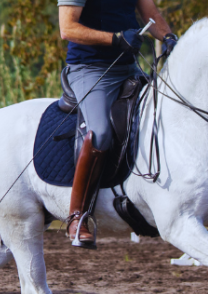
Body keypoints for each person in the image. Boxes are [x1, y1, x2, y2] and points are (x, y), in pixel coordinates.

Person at [58, 0, 178, 249]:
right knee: (100, 133)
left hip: (128, 68)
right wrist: (115, 39)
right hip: (89, 70)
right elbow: (67, 28)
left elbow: (151, 14)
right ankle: (78, 216)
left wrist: (170, 38)